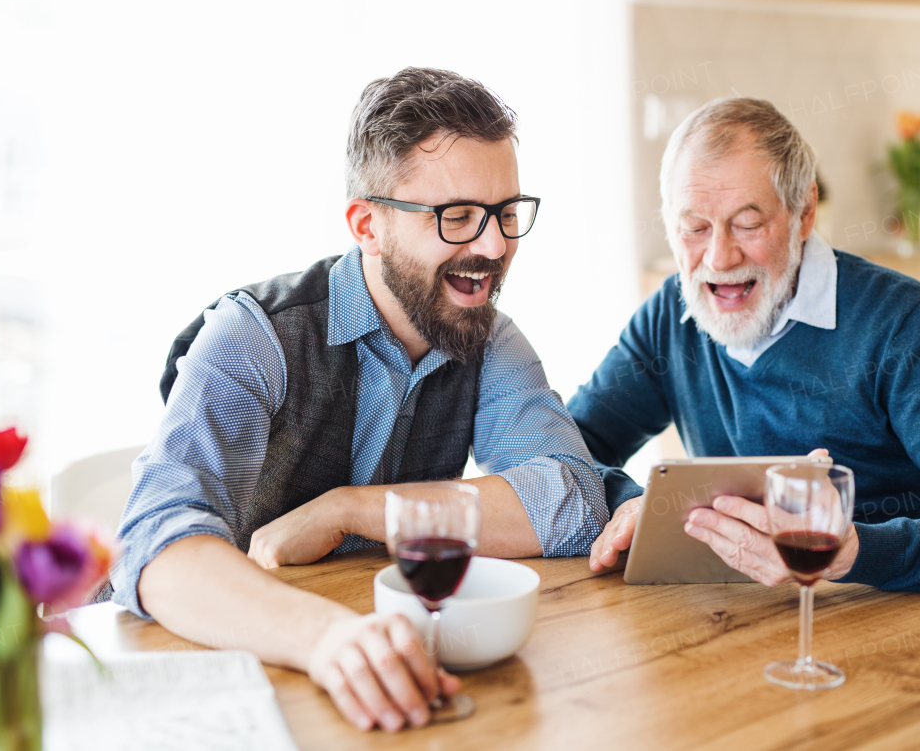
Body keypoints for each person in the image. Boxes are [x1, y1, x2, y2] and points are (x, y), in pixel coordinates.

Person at [109, 67, 607, 732]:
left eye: (506, 214)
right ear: (366, 225)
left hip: (397, 676)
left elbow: (571, 498)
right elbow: (155, 545)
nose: (493, 247)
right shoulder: (253, 335)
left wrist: (350, 509)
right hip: (233, 683)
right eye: (456, 217)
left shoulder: (489, 339)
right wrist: (328, 638)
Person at [573, 97, 920, 592]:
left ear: (804, 213)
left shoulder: (905, 325)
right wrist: (638, 503)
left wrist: (853, 552)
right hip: (755, 627)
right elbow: (559, 454)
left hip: (913, 630)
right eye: (694, 227)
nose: (718, 258)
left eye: (748, 223)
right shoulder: (668, 318)